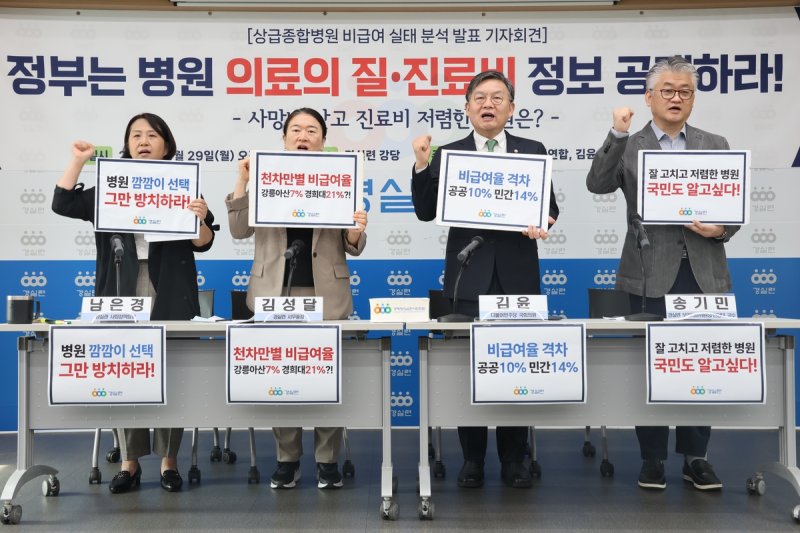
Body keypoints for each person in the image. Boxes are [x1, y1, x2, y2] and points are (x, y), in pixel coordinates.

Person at [586, 55, 738, 491]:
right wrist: (617, 133)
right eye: (667, 91)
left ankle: (696, 457)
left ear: (693, 99)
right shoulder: (630, 144)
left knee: (700, 366)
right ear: (649, 97)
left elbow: (732, 206)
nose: (676, 98)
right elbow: (597, 183)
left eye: (685, 91)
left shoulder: (715, 144)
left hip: (704, 272)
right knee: (650, 366)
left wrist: (721, 229)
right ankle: (652, 458)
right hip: (649, 270)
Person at [52, 112, 216, 494]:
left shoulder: (183, 185)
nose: (143, 141)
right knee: (124, 373)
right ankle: (130, 462)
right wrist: (78, 160)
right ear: (127, 145)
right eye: (136, 135)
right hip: (120, 286)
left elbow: (205, 242)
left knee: (172, 374)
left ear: (166, 145)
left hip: (169, 287)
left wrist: (200, 217)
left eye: (152, 135)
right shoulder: (112, 184)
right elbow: (62, 202)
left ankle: (169, 461)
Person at [411, 70, 559, 489]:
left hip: (517, 275)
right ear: (467, 108)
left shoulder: (532, 150)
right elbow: (424, 211)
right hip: (468, 274)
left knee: (514, 368)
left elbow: (549, 208)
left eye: (497, 97)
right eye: (479, 97)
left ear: (511, 108)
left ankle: (514, 459)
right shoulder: (448, 154)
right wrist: (422, 163)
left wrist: (543, 221)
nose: (488, 104)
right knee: (467, 370)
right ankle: (472, 459)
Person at [225, 107, 368, 490]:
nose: (303, 136)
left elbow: (353, 244)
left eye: (312, 130)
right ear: (284, 138)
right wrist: (243, 180)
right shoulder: (265, 178)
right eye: (296, 130)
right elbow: (238, 230)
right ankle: (287, 460)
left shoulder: (339, 177)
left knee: (326, 379)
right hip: (276, 292)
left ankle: (327, 460)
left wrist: (357, 229)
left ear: (323, 140)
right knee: (281, 377)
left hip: (326, 294)